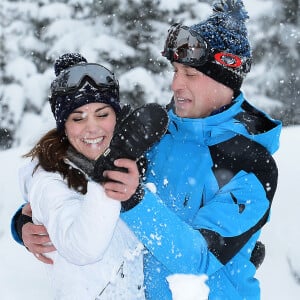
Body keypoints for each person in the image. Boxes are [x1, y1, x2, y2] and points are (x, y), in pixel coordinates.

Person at [12, 0, 282, 299]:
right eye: (176, 70)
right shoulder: (155, 130)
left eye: (190, 74)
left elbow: (197, 259)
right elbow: (77, 165)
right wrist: (26, 223)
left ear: (226, 81)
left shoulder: (252, 163)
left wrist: (134, 199)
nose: (175, 84)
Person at [15, 53, 148, 299]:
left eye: (102, 114)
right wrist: (108, 179)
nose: (92, 128)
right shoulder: (49, 180)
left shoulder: (137, 159)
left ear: (117, 116)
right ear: (63, 126)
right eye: (77, 118)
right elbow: (82, 247)